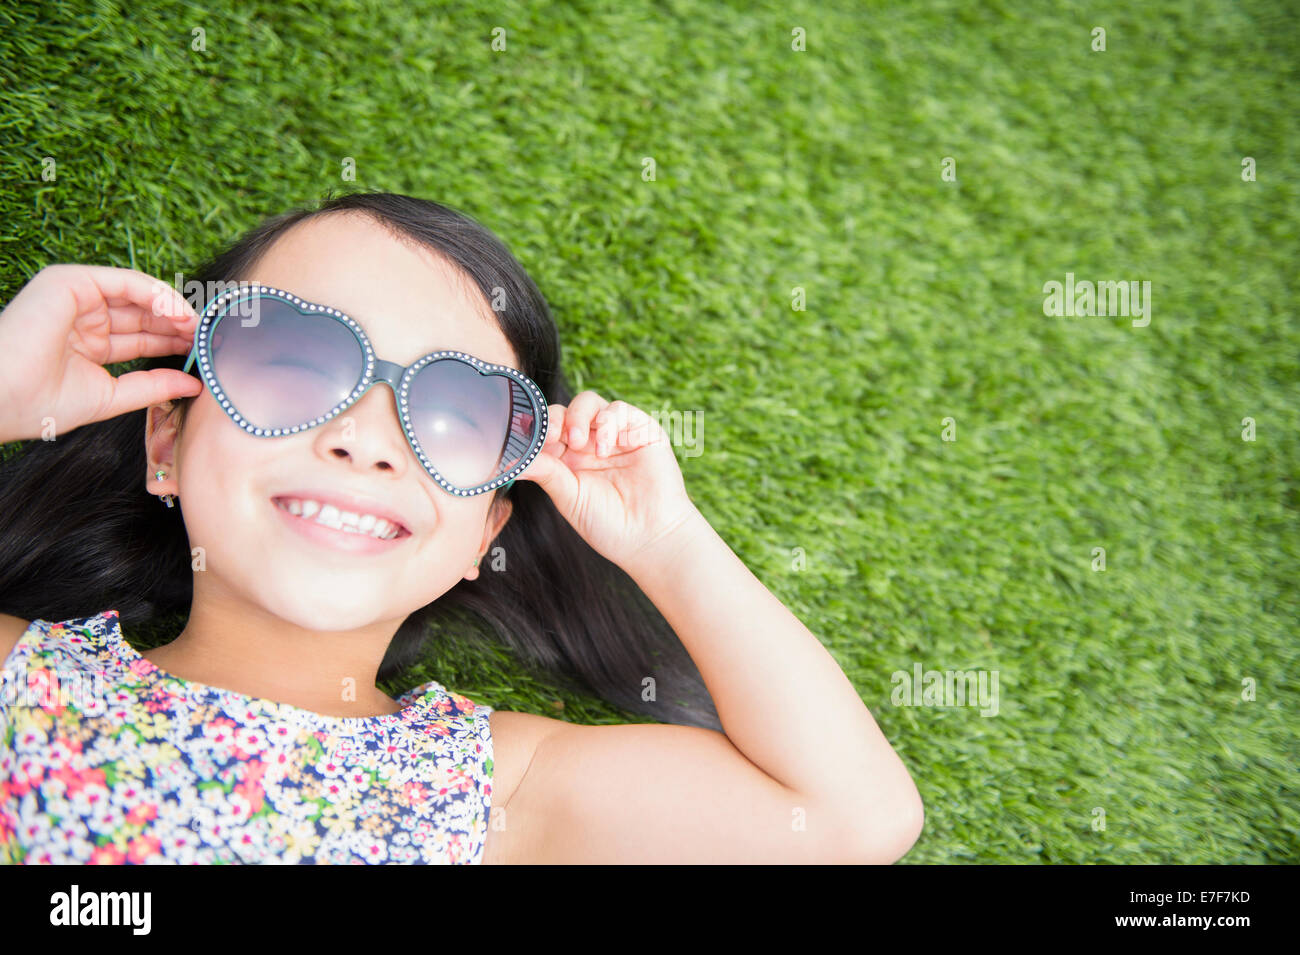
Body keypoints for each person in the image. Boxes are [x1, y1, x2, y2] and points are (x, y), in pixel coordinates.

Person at [0, 192, 922, 864]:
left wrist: (665, 541)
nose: (365, 440)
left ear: (488, 529)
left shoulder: (498, 787)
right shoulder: (21, 681)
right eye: (290, 361)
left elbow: (849, 815)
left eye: (451, 412)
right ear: (167, 438)